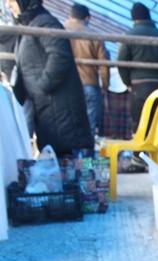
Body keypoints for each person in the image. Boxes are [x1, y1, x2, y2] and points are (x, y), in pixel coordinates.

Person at [6, 0, 93, 156]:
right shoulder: (30, 25)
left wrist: (41, 87)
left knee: (69, 157)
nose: (8, 5)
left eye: (11, 1)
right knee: (58, 155)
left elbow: (60, 56)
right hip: (47, 104)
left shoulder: (45, 23)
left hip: (57, 104)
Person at [117, 2, 158, 128]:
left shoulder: (129, 36)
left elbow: (121, 63)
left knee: (139, 125)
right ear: (149, 16)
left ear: (133, 18)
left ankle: (140, 148)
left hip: (138, 86)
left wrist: (128, 83)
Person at [64, 3, 109, 137]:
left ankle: (68, 156)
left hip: (66, 84)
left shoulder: (59, 31)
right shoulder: (94, 36)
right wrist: (105, 86)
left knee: (68, 122)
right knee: (89, 124)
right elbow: (104, 65)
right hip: (89, 84)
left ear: (70, 15)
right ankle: (86, 157)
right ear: (88, 18)